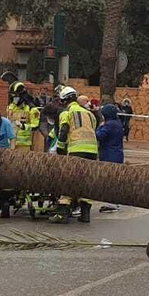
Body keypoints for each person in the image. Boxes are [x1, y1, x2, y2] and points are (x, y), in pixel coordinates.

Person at [52, 85, 97, 224]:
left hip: (77, 150)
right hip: (93, 151)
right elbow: (94, 127)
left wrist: (60, 150)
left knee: (68, 179)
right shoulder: (89, 113)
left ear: (64, 100)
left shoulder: (66, 113)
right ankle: (85, 214)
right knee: (86, 180)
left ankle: (62, 214)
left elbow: (63, 131)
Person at [95, 103, 125, 212]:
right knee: (114, 178)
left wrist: (99, 127)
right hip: (117, 153)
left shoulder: (108, 125)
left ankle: (111, 203)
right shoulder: (118, 123)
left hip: (109, 154)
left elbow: (100, 136)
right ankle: (115, 202)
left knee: (109, 179)